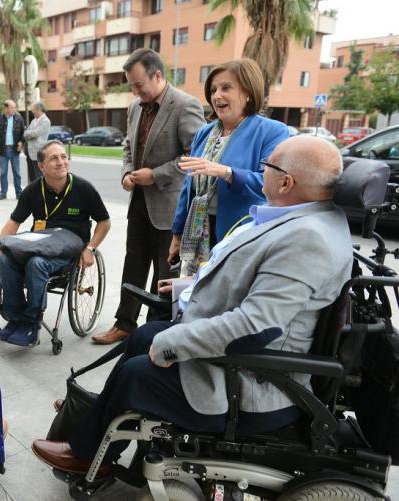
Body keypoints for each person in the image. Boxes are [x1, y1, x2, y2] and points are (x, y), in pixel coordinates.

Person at [32, 136, 353, 476]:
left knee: (137, 372)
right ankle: (100, 422)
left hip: (257, 382)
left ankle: (88, 453)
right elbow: (253, 285)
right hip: (242, 357)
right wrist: (189, 287)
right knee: (143, 336)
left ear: (286, 182)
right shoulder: (307, 219)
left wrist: (174, 345)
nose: (261, 173)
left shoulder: (308, 239)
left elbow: (258, 327)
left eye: (266, 167)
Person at [92, 48, 206, 346]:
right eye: (131, 85)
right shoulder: (135, 107)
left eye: (139, 84)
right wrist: (128, 173)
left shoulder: (185, 105)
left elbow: (195, 157)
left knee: (164, 271)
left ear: (157, 75)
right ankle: (124, 324)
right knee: (134, 265)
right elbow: (128, 146)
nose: (135, 91)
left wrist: (155, 174)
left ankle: (155, 332)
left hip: (169, 205)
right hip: (139, 202)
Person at [169, 59, 289, 276]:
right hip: (197, 231)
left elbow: (270, 183)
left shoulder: (272, 131)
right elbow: (189, 187)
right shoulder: (204, 134)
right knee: (194, 295)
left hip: (240, 233)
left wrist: (226, 172)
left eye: (226, 88)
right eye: (213, 90)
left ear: (248, 92)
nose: (216, 96)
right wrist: (177, 233)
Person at [0, 140, 111, 347]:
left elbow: (104, 222)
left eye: (64, 157)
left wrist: (90, 248)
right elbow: (14, 221)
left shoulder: (83, 188)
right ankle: (14, 318)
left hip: (68, 250)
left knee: (36, 263)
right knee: (6, 259)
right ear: (41, 166)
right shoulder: (32, 190)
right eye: (53, 158)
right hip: (40, 242)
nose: (61, 162)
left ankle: (31, 321)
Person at [0, 100, 25, 200]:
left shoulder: (19, 119)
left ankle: (19, 193)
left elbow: (23, 133)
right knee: (3, 173)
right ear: (6, 108)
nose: (14, 109)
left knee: (17, 173)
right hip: (3, 150)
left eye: (14, 107)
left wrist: (22, 142)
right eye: (12, 107)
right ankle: (3, 193)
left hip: (14, 150)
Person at [23, 101, 51, 183]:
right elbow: (26, 132)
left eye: (34, 110)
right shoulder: (34, 121)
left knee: (38, 176)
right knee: (31, 176)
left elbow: (35, 133)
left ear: (39, 110)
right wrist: (28, 133)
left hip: (38, 151)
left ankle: (40, 194)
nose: (33, 111)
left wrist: (28, 133)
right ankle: (31, 193)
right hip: (29, 152)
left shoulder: (46, 121)